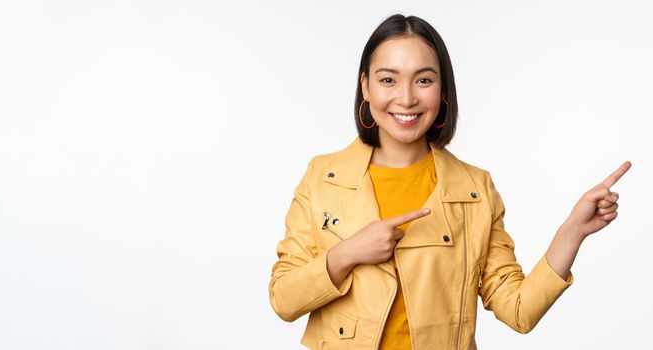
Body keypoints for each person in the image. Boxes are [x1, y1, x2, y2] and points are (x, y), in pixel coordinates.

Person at [268, 14, 631, 350]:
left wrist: (572, 231)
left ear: (443, 91)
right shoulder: (322, 178)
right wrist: (346, 254)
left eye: (423, 79)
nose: (406, 97)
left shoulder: (475, 189)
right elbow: (283, 300)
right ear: (365, 86)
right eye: (388, 79)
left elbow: (518, 311)